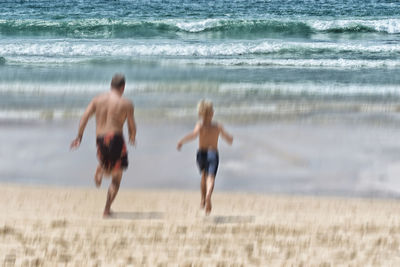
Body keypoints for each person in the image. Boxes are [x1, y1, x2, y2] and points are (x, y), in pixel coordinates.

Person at [70, 74, 136, 217]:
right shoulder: (126, 103)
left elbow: (84, 118)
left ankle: (101, 170)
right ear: (123, 87)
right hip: (116, 138)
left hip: (100, 139)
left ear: (111, 85)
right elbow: (132, 125)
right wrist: (132, 136)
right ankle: (106, 209)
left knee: (109, 166)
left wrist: (79, 137)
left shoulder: (97, 100)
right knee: (116, 178)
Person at [177, 100, 233, 215]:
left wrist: (182, 141)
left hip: (201, 154)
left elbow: (193, 135)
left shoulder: (199, 125)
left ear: (200, 114)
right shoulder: (218, 126)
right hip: (213, 154)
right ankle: (208, 195)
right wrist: (230, 138)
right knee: (210, 178)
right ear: (212, 113)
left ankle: (203, 199)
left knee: (203, 175)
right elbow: (228, 139)